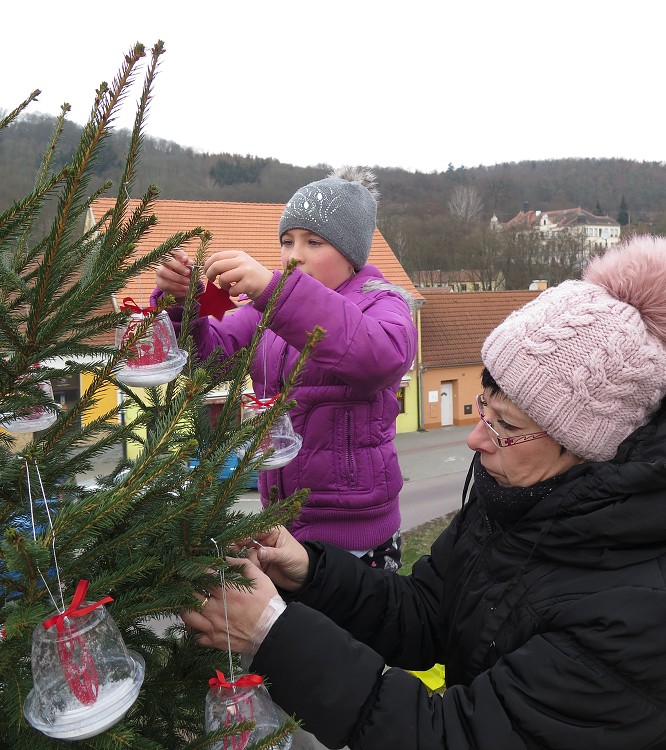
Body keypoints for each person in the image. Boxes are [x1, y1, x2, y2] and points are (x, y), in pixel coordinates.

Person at [182, 234, 666, 749]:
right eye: (483, 407)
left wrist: (273, 635)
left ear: (587, 446)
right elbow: (424, 614)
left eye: (504, 424)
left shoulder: (636, 616)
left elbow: (452, 736)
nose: (476, 437)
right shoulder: (518, 499)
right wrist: (311, 571)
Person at [154, 167, 417, 569]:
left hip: (357, 535)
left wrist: (275, 292)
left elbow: (379, 358)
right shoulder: (268, 309)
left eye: (313, 242)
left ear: (351, 254)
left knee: (355, 630)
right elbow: (210, 359)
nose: (294, 255)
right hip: (282, 524)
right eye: (287, 241)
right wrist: (181, 303)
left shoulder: (380, 301)